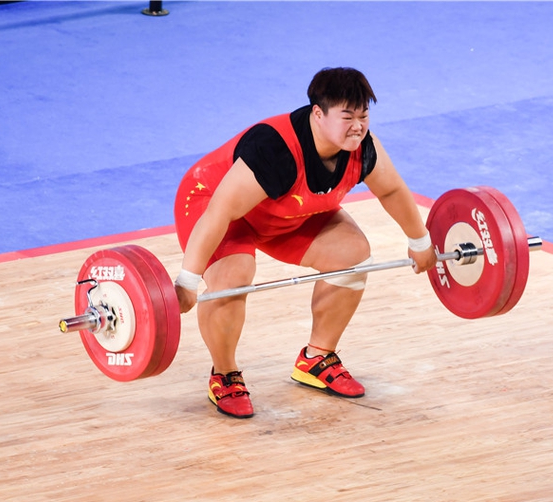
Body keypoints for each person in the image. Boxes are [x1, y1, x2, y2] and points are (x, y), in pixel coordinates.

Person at [173, 67, 436, 418]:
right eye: (347, 116)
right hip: (213, 204)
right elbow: (220, 213)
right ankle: (225, 374)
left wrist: (420, 240)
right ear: (318, 113)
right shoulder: (275, 149)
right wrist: (187, 281)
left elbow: (391, 190)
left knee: (353, 253)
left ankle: (316, 358)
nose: (357, 126)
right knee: (234, 276)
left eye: (363, 116)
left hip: (282, 213)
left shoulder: (363, 148)